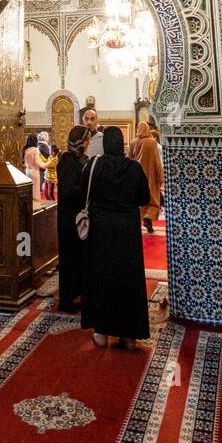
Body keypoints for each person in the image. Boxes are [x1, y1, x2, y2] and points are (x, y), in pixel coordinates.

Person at [81, 125, 150, 348]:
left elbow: (83, 193)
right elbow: (144, 197)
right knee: (127, 280)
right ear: (121, 144)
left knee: (102, 278)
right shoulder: (134, 168)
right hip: (127, 233)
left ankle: (101, 333)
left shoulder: (94, 166)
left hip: (101, 233)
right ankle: (129, 336)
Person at [56, 124, 89, 311]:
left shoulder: (79, 159)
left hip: (77, 218)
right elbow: (70, 192)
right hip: (69, 220)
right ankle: (66, 300)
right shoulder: (68, 162)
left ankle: (79, 293)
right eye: (86, 139)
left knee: (79, 258)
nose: (89, 142)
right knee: (69, 259)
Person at [130, 121, 164, 233]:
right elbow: (156, 161)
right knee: (152, 200)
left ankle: (138, 221)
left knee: (138, 200)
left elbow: (129, 160)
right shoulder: (152, 143)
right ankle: (148, 218)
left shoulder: (133, 142)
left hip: (135, 177)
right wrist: (161, 178)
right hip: (150, 177)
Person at [22, 134, 46, 204]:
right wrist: (46, 165)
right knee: (35, 193)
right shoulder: (35, 150)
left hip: (27, 172)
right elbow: (37, 162)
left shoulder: (26, 149)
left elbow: (24, 162)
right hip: (34, 172)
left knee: (30, 192)